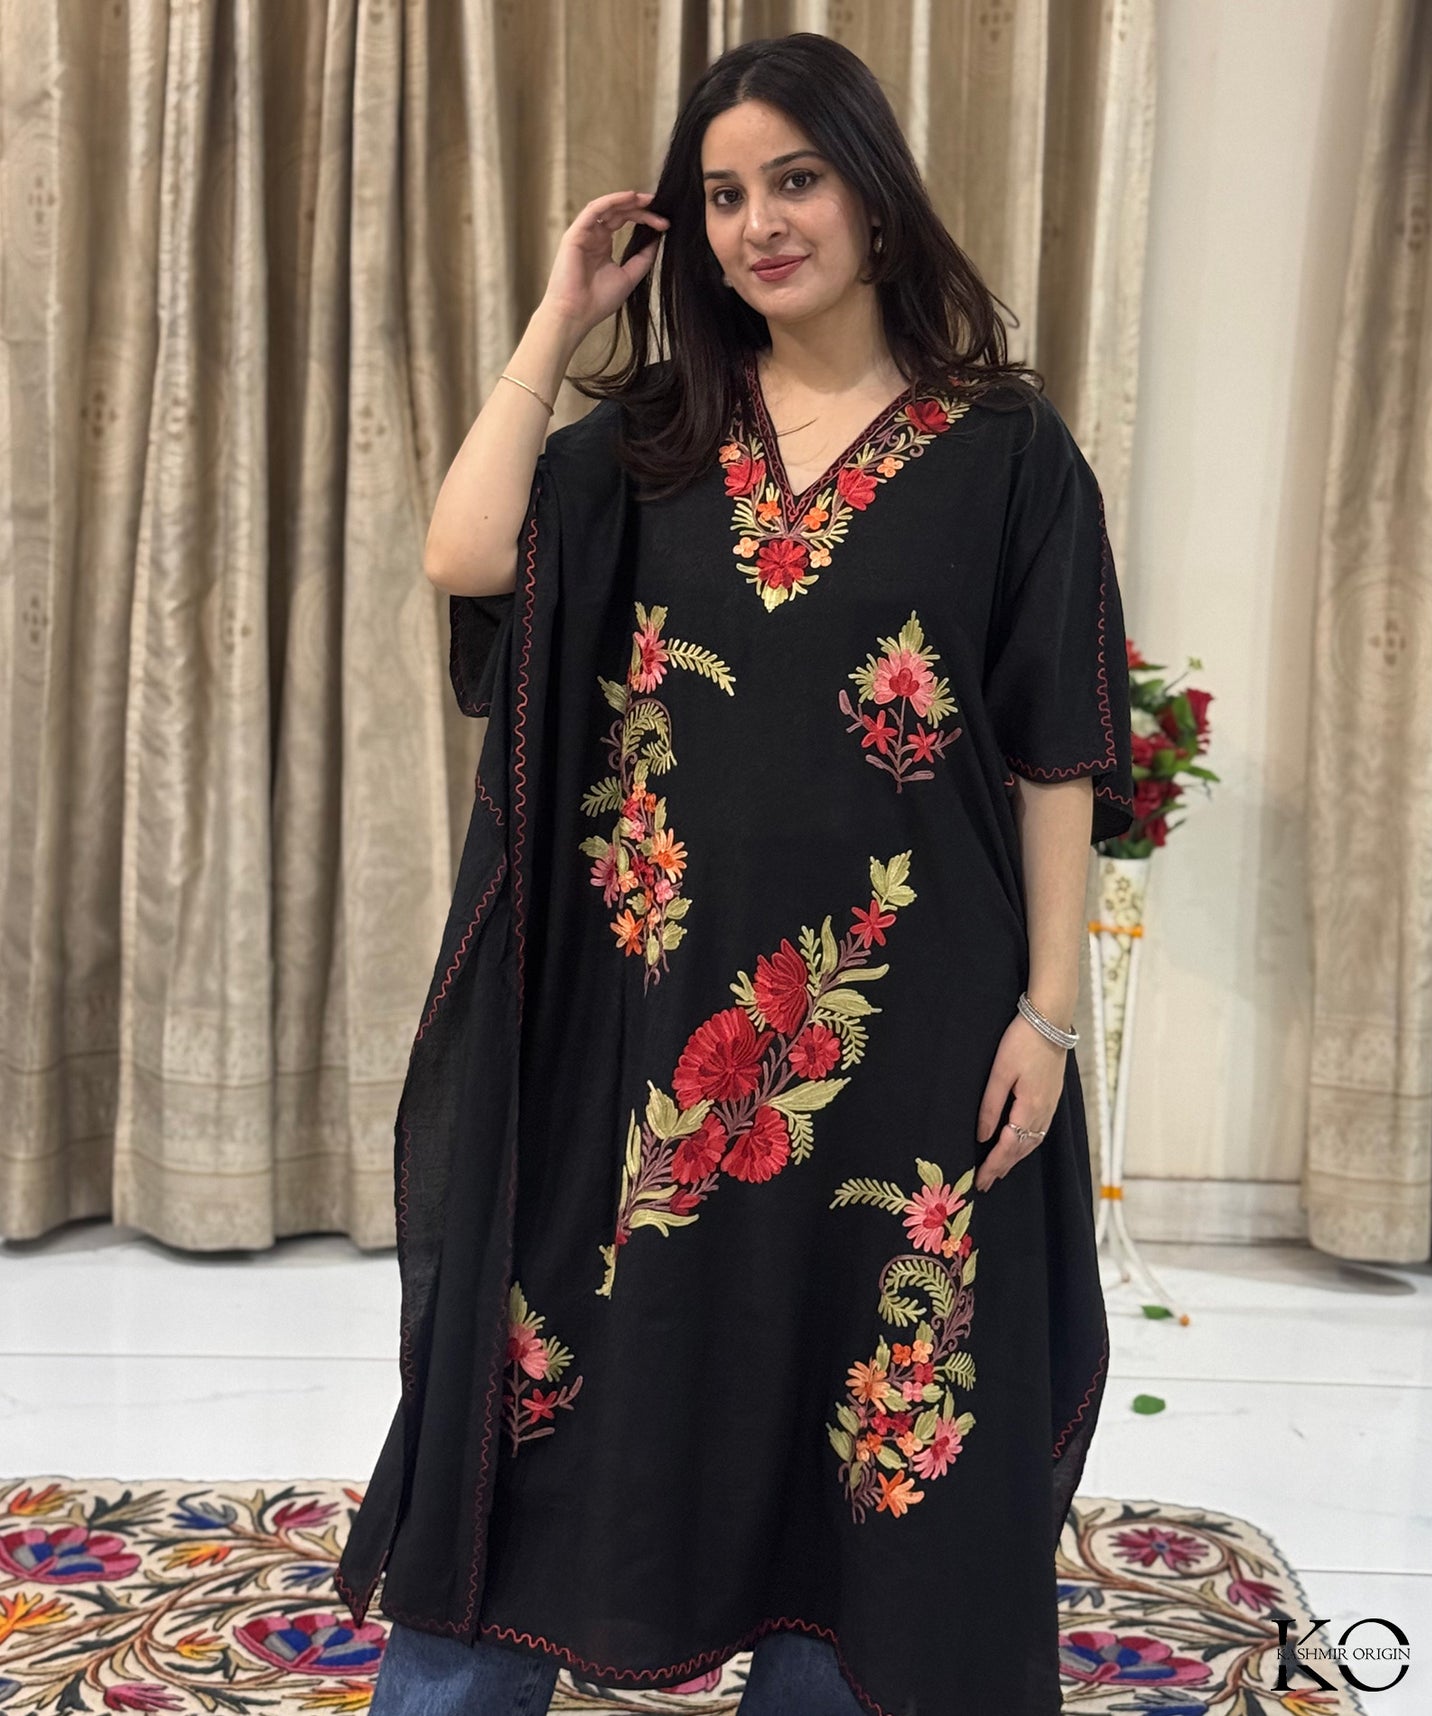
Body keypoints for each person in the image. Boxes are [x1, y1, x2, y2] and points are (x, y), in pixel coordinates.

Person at [338, 31, 1133, 1716]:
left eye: (795, 180)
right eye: (720, 196)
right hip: (644, 1033)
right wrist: (562, 313)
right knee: (550, 1385)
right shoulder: (651, 442)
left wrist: (1050, 1016)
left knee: (864, 1413)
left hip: (907, 1028)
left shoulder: (1002, 449)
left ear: (874, 196)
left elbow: (1051, 749)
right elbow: (462, 551)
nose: (759, 223)